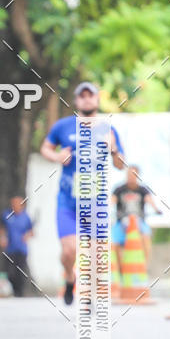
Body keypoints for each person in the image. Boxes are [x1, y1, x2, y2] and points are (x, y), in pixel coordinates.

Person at [40, 81, 125, 305]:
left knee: (96, 253)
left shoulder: (108, 129)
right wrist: (57, 156)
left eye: (91, 95)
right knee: (70, 251)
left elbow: (120, 164)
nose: (87, 99)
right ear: (76, 101)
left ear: (97, 99)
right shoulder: (63, 126)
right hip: (68, 202)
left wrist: (113, 149)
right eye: (82, 96)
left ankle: (89, 297)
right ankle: (70, 277)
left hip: (96, 203)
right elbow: (45, 148)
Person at [112, 165, 161, 264]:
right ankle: (121, 268)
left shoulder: (142, 190)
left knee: (146, 238)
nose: (131, 177)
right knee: (114, 243)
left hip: (139, 222)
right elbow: (112, 200)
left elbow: (149, 199)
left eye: (133, 174)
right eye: (129, 174)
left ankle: (144, 266)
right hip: (121, 221)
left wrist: (156, 209)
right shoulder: (119, 189)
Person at [0, 196, 34, 297]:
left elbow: (31, 231)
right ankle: (12, 290)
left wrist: (27, 236)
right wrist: (2, 237)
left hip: (21, 248)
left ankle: (20, 292)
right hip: (10, 248)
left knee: (20, 271)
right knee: (10, 271)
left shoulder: (26, 217)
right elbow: (1, 228)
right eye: (13, 204)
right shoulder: (6, 215)